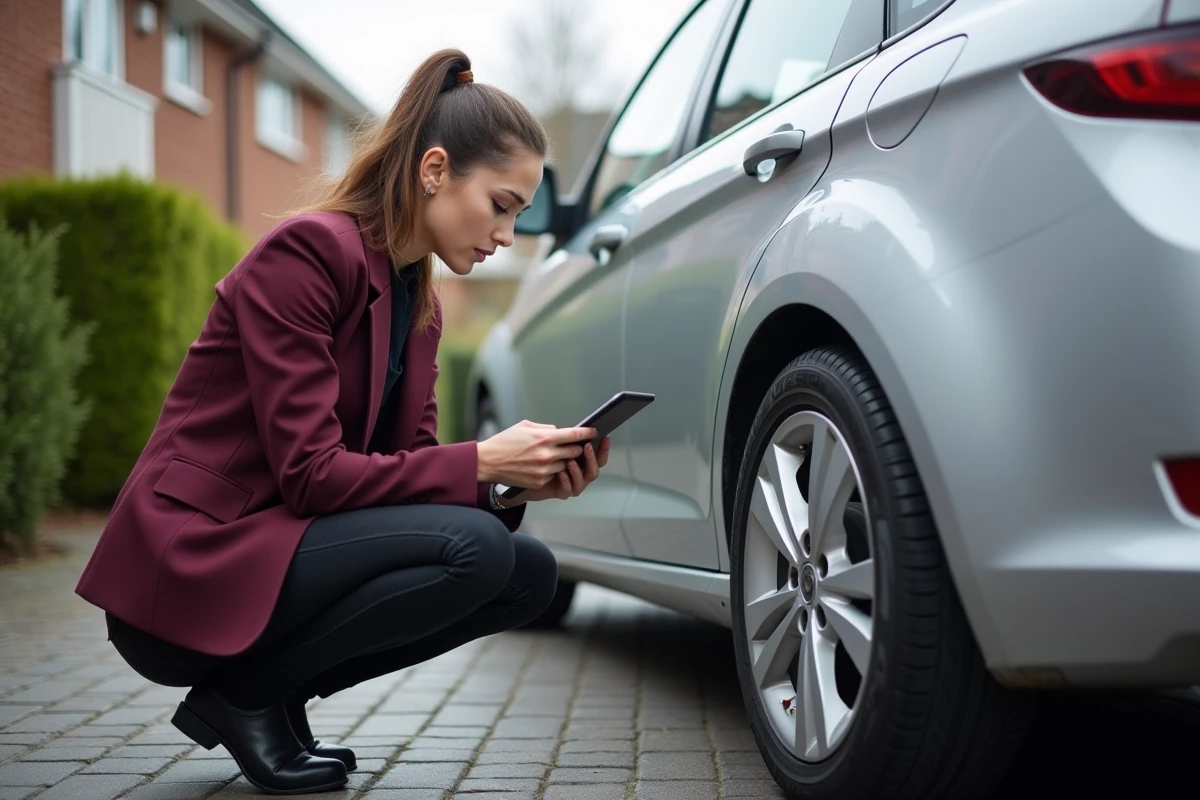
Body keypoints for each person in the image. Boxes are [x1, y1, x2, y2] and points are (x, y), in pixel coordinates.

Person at [74, 49, 609, 796]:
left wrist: (513, 484)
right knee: (477, 551)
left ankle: (270, 693)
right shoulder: (308, 254)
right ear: (434, 170)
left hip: (283, 544)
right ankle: (248, 697)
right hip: (194, 560)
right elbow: (312, 475)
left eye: (518, 214)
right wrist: (483, 460)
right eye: (501, 205)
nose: (506, 236)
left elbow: (408, 474)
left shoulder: (419, 306)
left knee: (527, 575)